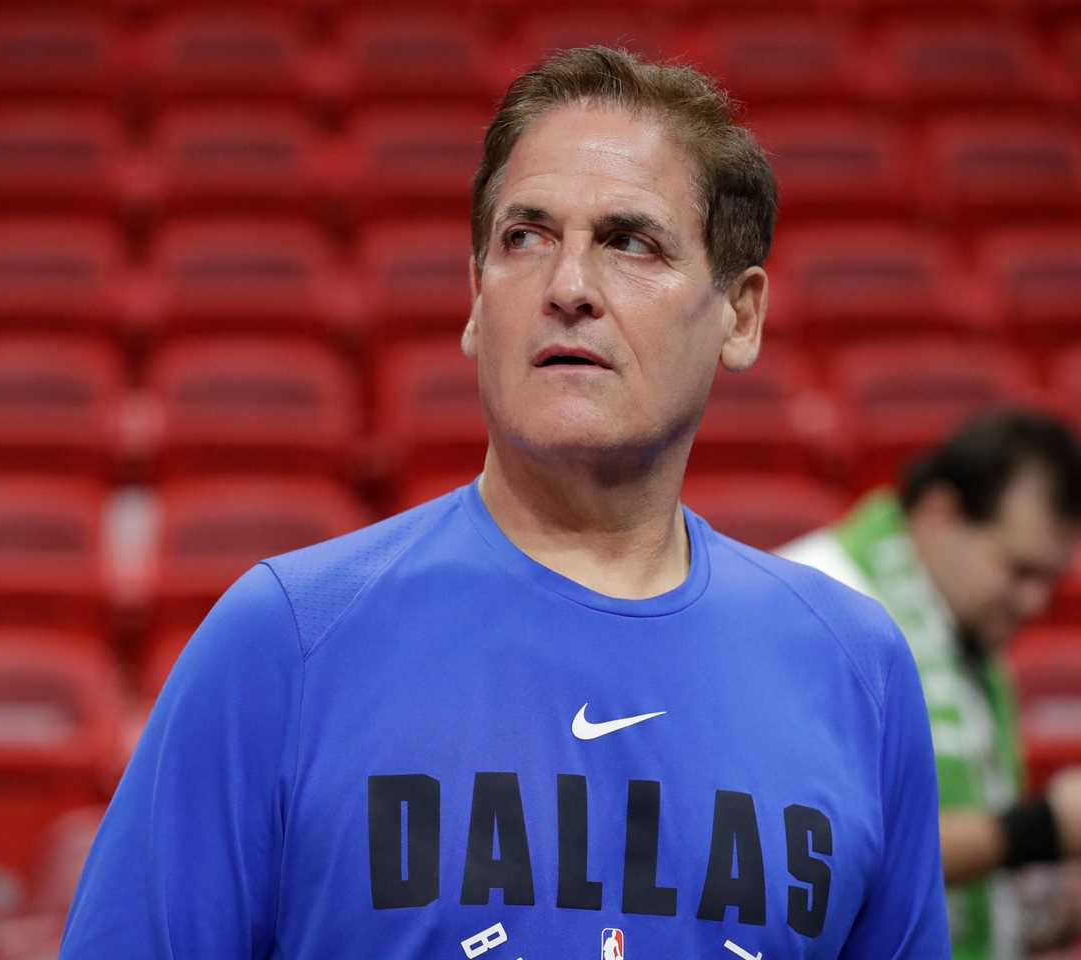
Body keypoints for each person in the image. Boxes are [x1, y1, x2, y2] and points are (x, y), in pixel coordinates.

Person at [61, 46, 949, 958]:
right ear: (478, 299)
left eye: (629, 241)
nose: (567, 288)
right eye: (524, 238)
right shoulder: (286, 638)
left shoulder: (859, 671)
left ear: (742, 315)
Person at [781, 409, 1081, 960]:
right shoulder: (813, 604)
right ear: (941, 514)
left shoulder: (964, 638)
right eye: (1018, 571)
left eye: (1049, 580)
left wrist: (1052, 900)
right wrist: (1039, 829)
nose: (1035, 603)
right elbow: (809, 848)